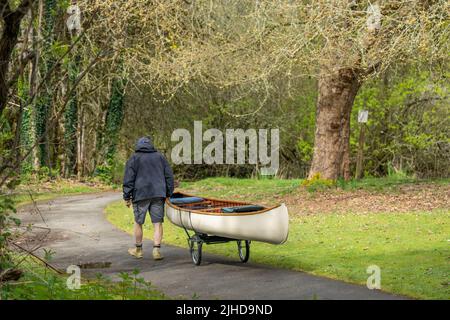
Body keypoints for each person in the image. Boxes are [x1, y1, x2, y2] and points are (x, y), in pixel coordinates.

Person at [123, 136, 174, 260]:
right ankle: (156, 251)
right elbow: (169, 176)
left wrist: (127, 196)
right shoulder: (160, 157)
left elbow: (128, 178)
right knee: (158, 223)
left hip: (140, 194)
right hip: (158, 193)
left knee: (138, 222)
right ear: (151, 145)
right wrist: (168, 193)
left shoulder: (134, 158)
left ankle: (138, 250)